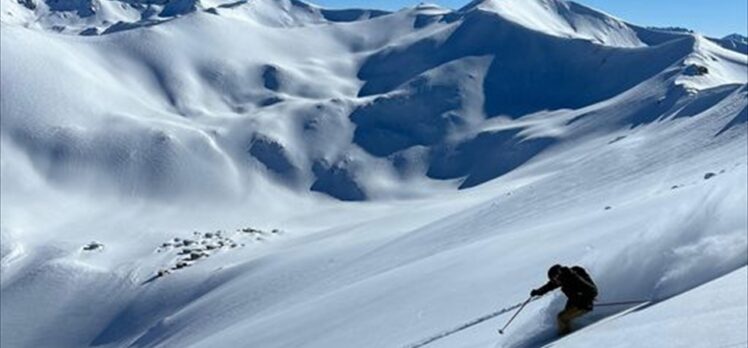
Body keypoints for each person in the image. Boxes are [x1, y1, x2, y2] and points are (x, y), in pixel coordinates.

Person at [530, 264, 598, 335]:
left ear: (558, 274)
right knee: (564, 315)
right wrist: (538, 292)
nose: (555, 281)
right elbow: (550, 286)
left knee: (561, 318)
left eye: (554, 278)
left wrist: (586, 299)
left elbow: (591, 289)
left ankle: (565, 337)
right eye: (553, 280)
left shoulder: (572, 277)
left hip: (583, 304)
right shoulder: (562, 278)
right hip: (575, 302)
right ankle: (568, 331)